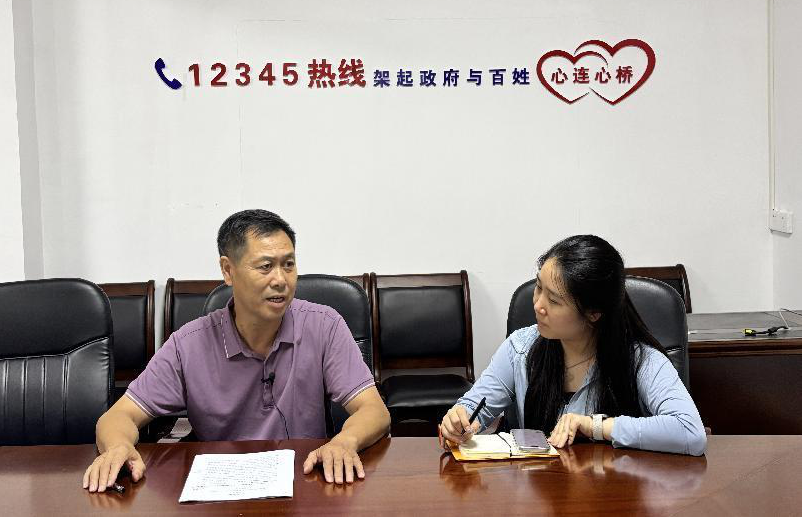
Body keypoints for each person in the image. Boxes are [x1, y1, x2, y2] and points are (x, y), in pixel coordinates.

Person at [83, 209, 390, 492]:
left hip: (306, 483)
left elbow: (374, 411)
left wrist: (344, 442)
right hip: (223, 492)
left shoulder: (324, 325)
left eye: (288, 264)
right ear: (228, 271)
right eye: (266, 266)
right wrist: (118, 447)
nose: (281, 280)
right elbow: (118, 416)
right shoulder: (188, 345)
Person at [440, 235, 706, 456]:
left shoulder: (640, 361)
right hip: (538, 491)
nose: (538, 305)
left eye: (554, 301)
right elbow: (475, 408)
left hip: (616, 493)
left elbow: (690, 432)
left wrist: (596, 427)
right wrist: (459, 420)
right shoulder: (519, 349)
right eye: (538, 288)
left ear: (593, 313)